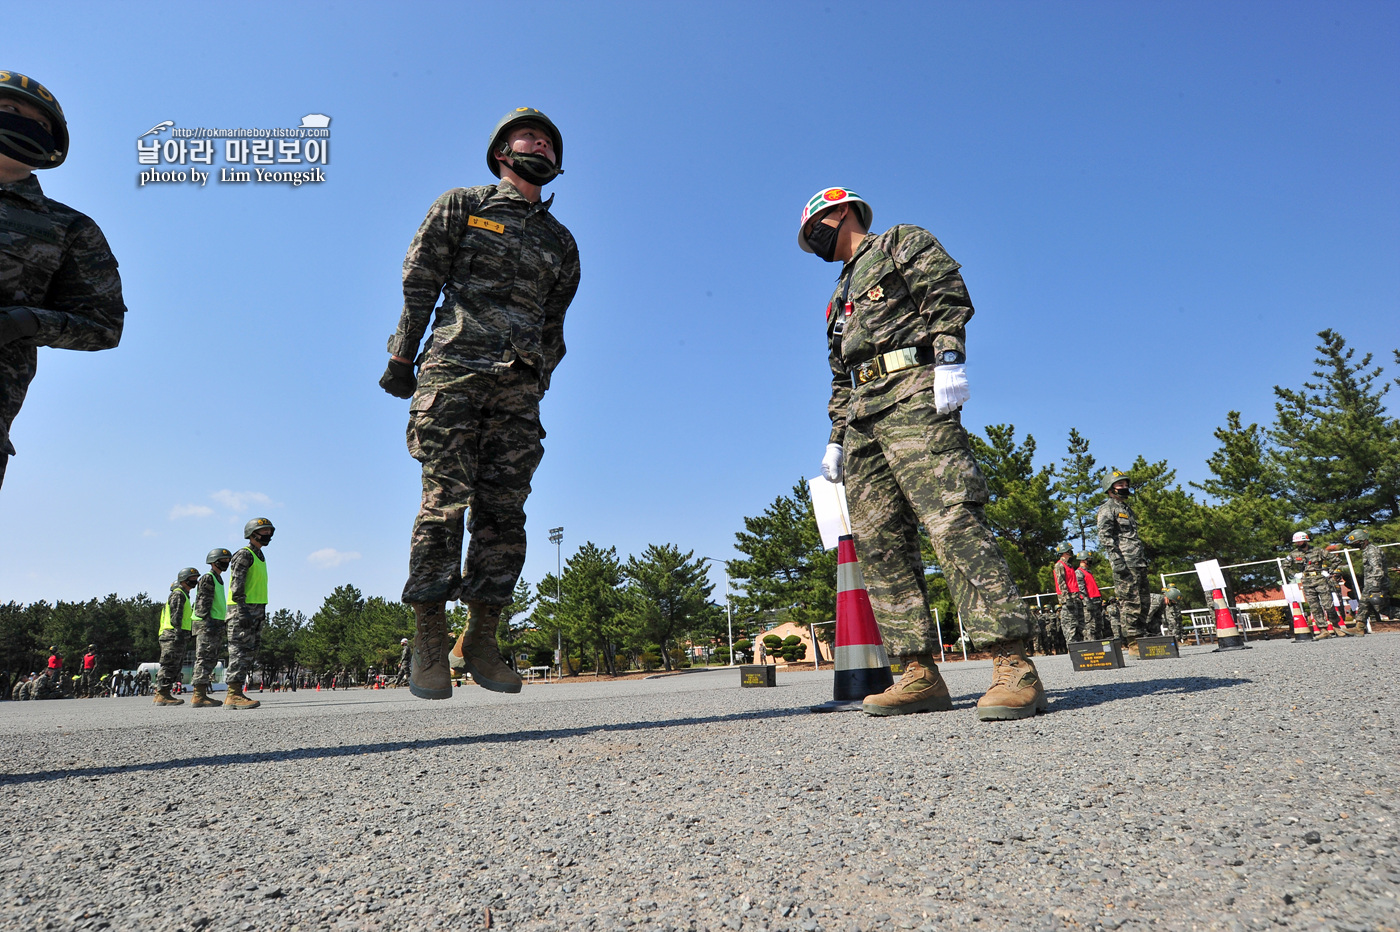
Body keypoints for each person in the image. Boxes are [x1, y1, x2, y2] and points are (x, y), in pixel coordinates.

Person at [799, 186, 1045, 721]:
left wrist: (951, 359)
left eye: (815, 225)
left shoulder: (897, 243)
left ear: (840, 212)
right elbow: (840, 376)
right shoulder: (837, 298)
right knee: (879, 541)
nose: (811, 239)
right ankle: (918, 672)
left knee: (951, 520)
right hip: (863, 418)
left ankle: (1012, 663)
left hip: (914, 393)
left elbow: (945, 293)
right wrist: (836, 437)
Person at [380, 107, 580, 701]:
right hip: (454, 370)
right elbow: (421, 278)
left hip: (517, 389)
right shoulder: (463, 204)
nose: (539, 143)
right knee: (446, 502)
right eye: (528, 136)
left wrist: (537, 380)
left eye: (548, 140)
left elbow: (555, 322)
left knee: (506, 511)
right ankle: (429, 638)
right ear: (501, 152)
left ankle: (484, 637)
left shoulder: (561, 242)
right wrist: (402, 355)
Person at [0, 71, 126, 490]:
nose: (22, 122)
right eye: (10, 109)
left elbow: (104, 326)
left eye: (39, 122)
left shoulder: (68, 227)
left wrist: (27, 321)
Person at [1096, 469, 1149, 647]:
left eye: (1126, 485)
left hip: (1138, 561)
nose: (1125, 487)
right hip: (1125, 562)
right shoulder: (1107, 509)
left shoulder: (1127, 510)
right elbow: (1105, 537)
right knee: (1130, 602)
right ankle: (1134, 642)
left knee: (1144, 601)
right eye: (1120, 485)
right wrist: (1117, 561)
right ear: (1110, 489)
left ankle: (1143, 637)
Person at [225, 518, 273, 709]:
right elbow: (237, 584)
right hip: (242, 610)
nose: (268, 535)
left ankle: (237, 693)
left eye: (270, 532)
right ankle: (233, 695)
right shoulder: (244, 555)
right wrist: (242, 610)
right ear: (252, 534)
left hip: (255, 611)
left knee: (249, 653)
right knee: (239, 651)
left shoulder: (259, 555)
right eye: (264, 532)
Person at [189, 548, 231, 708]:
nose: (226, 563)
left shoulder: (218, 578)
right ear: (213, 561)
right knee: (205, 658)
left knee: (211, 659)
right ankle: (198, 695)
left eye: (227, 561)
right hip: (208, 624)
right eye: (223, 560)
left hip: (215, 623)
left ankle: (202, 693)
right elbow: (202, 604)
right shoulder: (208, 577)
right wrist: (208, 622)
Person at [155, 568, 198, 706]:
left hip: (177, 634)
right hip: (173, 634)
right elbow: (176, 615)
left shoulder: (183, 594)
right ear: (184, 580)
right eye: (192, 579)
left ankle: (162, 693)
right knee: (170, 664)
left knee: (174, 664)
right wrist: (178, 631)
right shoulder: (178, 594)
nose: (195, 581)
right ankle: (163, 694)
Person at [1289, 531, 1342, 638]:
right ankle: (1323, 630)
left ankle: (1336, 626)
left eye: (1300, 541)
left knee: (1328, 605)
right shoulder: (1293, 554)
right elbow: (1285, 566)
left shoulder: (1318, 551)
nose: (1298, 543)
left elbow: (1336, 560)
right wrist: (1295, 574)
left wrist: (1329, 571)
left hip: (1320, 580)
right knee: (1315, 607)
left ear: (1306, 540)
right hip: (1307, 582)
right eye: (1296, 542)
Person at [1344, 528, 1387, 635]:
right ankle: (1359, 628)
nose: (1355, 545)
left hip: (1376, 583)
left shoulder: (1372, 551)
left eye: (1356, 542)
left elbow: (1377, 570)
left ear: (1364, 540)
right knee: (1365, 605)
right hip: (1371, 583)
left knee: (1381, 608)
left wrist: (1375, 588)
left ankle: (1359, 627)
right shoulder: (1367, 551)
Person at [1051, 544, 1085, 645]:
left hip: (1075, 596)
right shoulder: (1059, 565)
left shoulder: (1069, 565)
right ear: (1065, 551)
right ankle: (1072, 646)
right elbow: (1061, 582)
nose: (1071, 552)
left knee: (1078, 622)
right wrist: (1066, 598)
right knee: (1070, 623)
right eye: (1070, 550)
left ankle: (1079, 644)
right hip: (1069, 597)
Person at [1075, 553, 1108, 639]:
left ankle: (1099, 644)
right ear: (1083, 560)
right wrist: (1087, 601)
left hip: (1096, 601)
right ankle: (1092, 646)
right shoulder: (1079, 572)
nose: (1090, 561)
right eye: (1088, 559)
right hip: (1089, 601)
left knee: (1098, 625)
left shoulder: (1088, 572)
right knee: (1090, 626)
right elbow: (1081, 589)